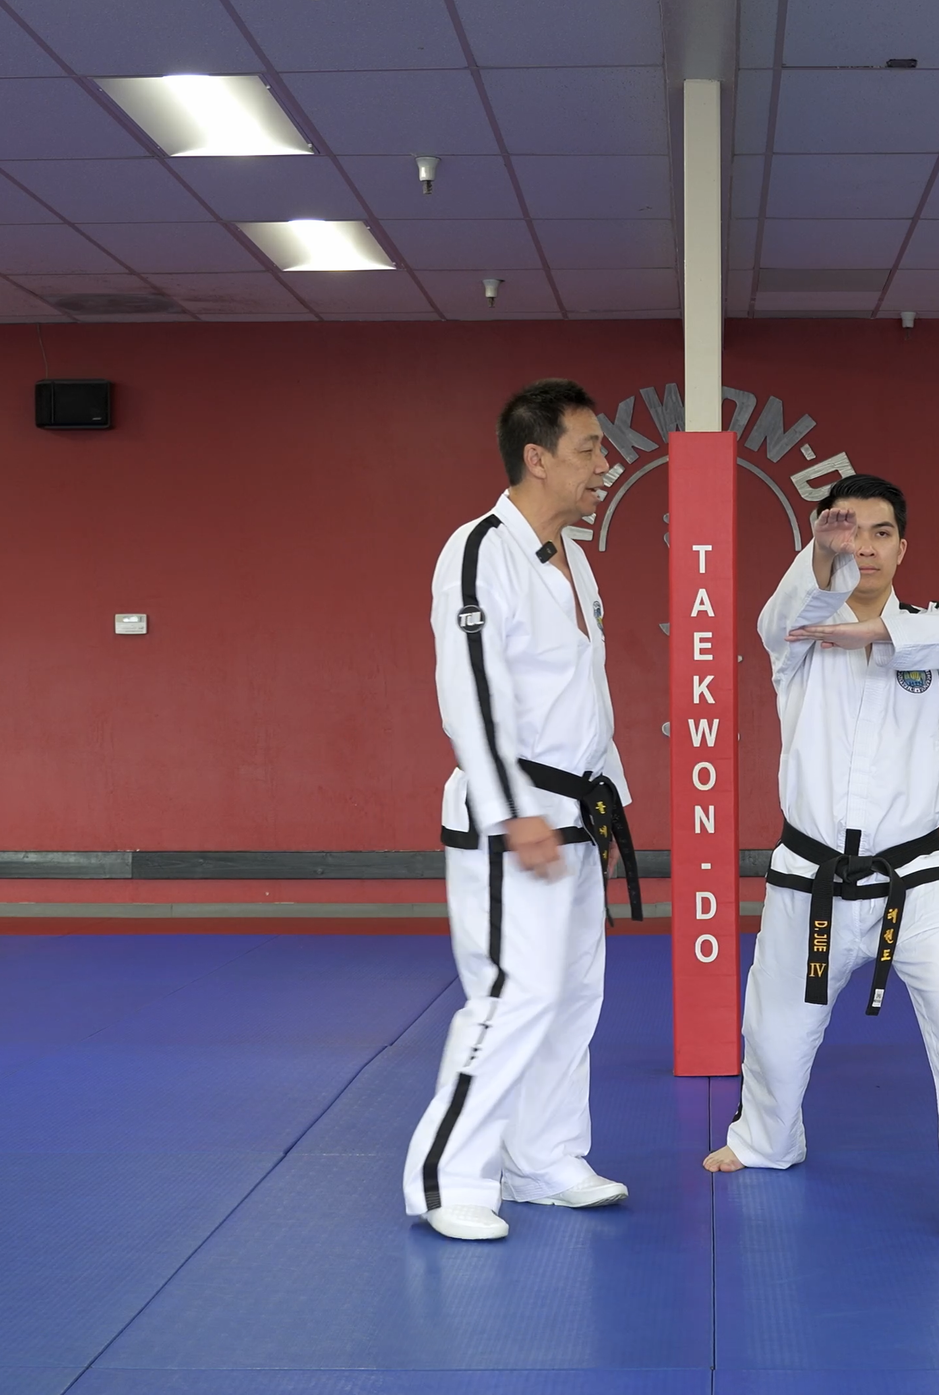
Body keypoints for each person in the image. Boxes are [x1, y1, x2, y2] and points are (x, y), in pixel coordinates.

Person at [702, 473, 939, 1265]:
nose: (862, 545)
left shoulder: (935, 640)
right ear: (822, 539)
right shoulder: (797, 637)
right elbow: (778, 613)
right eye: (845, 529)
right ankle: (765, 1138)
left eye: (879, 532)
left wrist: (884, 637)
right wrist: (822, 571)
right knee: (775, 1030)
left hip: (915, 879)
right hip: (812, 877)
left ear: (903, 547)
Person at [405, 378, 643, 1241]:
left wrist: (612, 807)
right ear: (537, 458)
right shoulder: (479, 550)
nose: (603, 464)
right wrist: (514, 809)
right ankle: (449, 1175)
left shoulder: (573, 557)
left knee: (573, 993)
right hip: (516, 818)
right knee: (514, 992)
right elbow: (470, 692)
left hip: (578, 810)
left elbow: (587, 697)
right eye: (588, 448)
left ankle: (543, 1156)